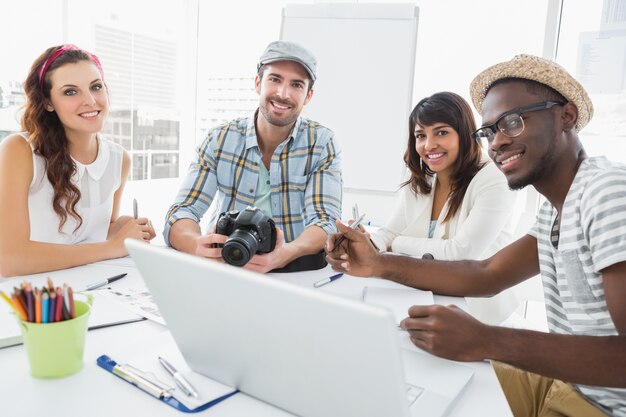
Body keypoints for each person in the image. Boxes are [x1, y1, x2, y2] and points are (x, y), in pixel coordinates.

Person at [327, 54, 626, 417]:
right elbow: (487, 275)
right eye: (489, 131)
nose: (497, 142)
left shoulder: (606, 192)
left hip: (602, 406)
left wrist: (488, 340)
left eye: (512, 122)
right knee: (410, 378)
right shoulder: (556, 206)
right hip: (565, 384)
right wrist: (376, 263)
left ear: (566, 116)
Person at [165, 41, 342, 273]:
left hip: (293, 272)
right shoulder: (219, 139)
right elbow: (182, 211)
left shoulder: (321, 143)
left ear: (308, 96)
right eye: (275, 79)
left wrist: (286, 252)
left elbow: (326, 221)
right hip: (225, 265)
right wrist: (196, 245)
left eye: (296, 85)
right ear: (258, 83)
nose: (283, 94)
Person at [0, 44, 156, 278]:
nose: (91, 101)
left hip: (92, 289)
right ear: (48, 102)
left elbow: (98, 233)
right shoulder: (20, 151)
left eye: (96, 87)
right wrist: (111, 247)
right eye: (71, 92)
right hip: (34, 297)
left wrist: (125, 230)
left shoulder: (119, 159)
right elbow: (9, 259)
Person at [369, 91, 518, 324]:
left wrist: (395, 244)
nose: (429, 145)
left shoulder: (493, 177)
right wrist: (364, 243)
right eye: (420, 135)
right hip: (420, 299)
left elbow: (460, 253)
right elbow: (389, 232)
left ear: (465, 133)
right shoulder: (422, 177)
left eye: (441, 132)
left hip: (477, 315)